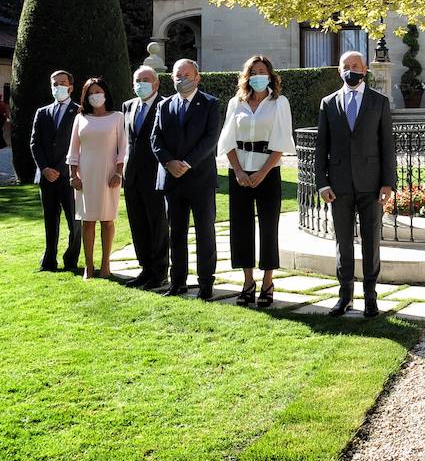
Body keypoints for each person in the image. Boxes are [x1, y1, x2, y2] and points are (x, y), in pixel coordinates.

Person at [314, 50, 395, 317]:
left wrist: (388, 183)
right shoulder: (328, 103)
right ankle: (344, 296)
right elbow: (321, 146)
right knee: (343, 242)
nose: (351, 70)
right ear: (339, 71)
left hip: (371, 185)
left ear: (365, 70)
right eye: (346, 66)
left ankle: (370, 297)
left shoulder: (379, 102)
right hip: (338, 186)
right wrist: (322, 182)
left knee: (371, 242)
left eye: (355, 65)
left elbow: (387, 145)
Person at [218, 55, 295, 307]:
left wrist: (262, 172)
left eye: (262, 71)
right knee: (240, 227)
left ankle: (267, 282)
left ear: (270, 75)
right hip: (239, 172)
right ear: (247, 76)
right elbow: (228, 139)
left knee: (268, 226)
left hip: (268, 172)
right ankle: (248, 281)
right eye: (254, 71)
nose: (258, 75)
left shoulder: (279, 102)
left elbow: (282, 141)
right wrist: (238, 171)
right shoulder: (235, 103)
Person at [151, 58, 222, 299]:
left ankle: (205, 284)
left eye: (186, 75)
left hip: (200, 179)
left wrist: (187, 163)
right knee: (176, 233)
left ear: (197, 77)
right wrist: (169, 162)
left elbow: (211, 139)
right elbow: (155, 139)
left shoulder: (210, 104)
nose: (182, 79)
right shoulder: (164, 106)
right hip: (172, 179)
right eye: (177, 76)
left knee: (205, 233)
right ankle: (178, 282)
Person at [67, 77, 127, 279]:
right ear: (85, 96)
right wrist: (73, 175)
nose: (95, 96)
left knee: (107, 219)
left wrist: (118, 172)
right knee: (88, 220)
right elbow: (73, 151)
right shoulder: (80, 118)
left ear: (106, 93)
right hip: (86, 174)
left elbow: (123, 149)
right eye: (91, 93)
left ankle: (106, 265)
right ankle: (89, 266)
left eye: (98, 91)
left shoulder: (118, 117)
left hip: (109, 173)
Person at [121, 66, 170, 289]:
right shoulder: (128, 106)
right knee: (138, 224)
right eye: (138, 80)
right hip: (132, 176)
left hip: (156, 175)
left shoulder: (166, 105)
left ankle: (160, 271)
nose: (141, 84)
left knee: (157, 224)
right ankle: (145, 268)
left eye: (146, 80)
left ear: (157, 84)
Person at [30, 71, 81, 272]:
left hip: (69, 176)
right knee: (50, 220)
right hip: (46, 175)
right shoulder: (42, 112)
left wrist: (63, 170)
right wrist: (44, 168)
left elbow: (79, 145)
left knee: (74, 222)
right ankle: (49, 261)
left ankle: (71, 259)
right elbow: (35, 143)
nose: (58, 86)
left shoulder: (79, 112)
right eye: (54, 83)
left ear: (70, 87)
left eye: (62, 83)